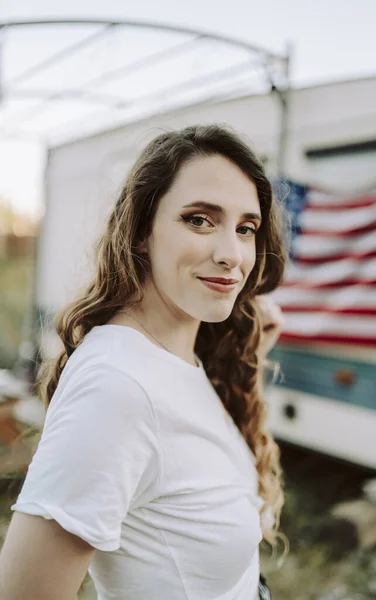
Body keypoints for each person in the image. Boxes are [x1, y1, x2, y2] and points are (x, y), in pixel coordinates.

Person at [0, 124, 287, 600]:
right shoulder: (116, 388)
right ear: (140, 233)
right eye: (199, 220)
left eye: (245, 228)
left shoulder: (182, 356)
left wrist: (248, 351)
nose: (232, 255)